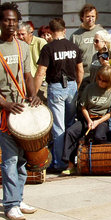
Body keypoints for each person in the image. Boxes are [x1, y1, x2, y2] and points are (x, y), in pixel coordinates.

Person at [0, 2, 41, 220]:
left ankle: (18, 198)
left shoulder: (22, 46)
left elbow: (27, 75)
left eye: (14, 20)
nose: (11, 24)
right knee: (9, 159)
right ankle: (10, 204)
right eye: (7, 20)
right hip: (4, 112)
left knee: (21, 159)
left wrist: (33, 93)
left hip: (23, 110)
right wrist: (4, 104)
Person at [34, 17, 84, 173]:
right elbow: (80, 70)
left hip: (56, 87)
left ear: (50, 31)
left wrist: (33, 94)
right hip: (71, 86)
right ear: (64, 30)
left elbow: (41, 72)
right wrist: (77, 86)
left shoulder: (48, 48)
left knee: (58, 128)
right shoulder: (73, 47)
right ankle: (70, 159)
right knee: (69, 125)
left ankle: (59, 163)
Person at [61, 65, 111, 175]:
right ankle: (69, 163)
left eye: (104, 81)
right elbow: (83, 107)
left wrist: (98, 122)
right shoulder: (90, 87)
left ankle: (103, 159)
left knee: (99, 136)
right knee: (71, 132)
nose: (100, 82)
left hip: (102, 120)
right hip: (88, 118)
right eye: (99, 79)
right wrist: (89, 120)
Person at [70, 3, 105, 92]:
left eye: (93, 16)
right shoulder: (75, 36)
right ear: (82, 17)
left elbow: (110, 53)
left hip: (100, 76)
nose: (91, 19)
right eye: (88, 16)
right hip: (83, 77)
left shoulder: (102, 33)